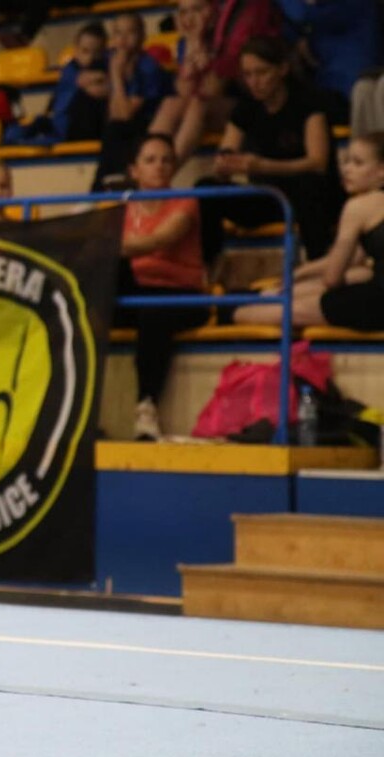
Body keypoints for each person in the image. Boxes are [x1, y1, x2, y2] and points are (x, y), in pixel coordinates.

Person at [195, 36, 343, 266]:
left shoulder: (308, 102)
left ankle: (318, 262)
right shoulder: (246, 107)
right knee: (206, 189)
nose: (254, 82)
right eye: (248, 74)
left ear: (282, 69)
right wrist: (224, 165)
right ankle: (208, 265)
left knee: (309, 186)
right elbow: (227, 149)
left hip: (312, 192)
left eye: (261, 73)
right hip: (269, 194)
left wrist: (262, 166)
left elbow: (317, 162)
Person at [234, 133, 384, 331]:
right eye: (346, 161)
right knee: (360, 274)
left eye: (357, 163)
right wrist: (300, 273)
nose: (346, 169)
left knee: (254, 313)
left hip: (377, 304)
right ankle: (266, 295)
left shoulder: (359, 207)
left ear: (381, 170)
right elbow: (355, 258)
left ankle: (233, 310)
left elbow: (332, 279)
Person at [119, 134, 209, 440]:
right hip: (138, 293)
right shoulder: (122, 209)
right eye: (150, 160)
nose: (159, 166)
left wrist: (106, 244)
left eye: (166, 160)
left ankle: (146, 408)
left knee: (153, 314)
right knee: (88, 306)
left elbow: (159, 240)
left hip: (181, 295)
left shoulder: (186, 201)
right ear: (134, 170)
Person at [92, 13, 173, 190]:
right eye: (118, 33)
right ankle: (100, 189)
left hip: (147, 124)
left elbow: (124, 114)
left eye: (130, 32)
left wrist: (116, 75)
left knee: (115, 129)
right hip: (121, 126)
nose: (123, 39)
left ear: (142, 36)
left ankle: (102, 188)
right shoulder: (109, 59)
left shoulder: (148, 67)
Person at [148, 0, 229, 162]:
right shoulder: (185, 42)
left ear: (213, 9)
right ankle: (148, 165)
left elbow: (213, 90)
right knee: (171, 103)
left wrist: (202, 49)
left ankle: (166, 169)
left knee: (199, 103)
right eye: (184, 12)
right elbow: (184, 91)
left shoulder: (226, 37)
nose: (190, 18)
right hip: (200, 107)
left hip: (235, 106)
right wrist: (194, 43)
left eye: (197, 9)